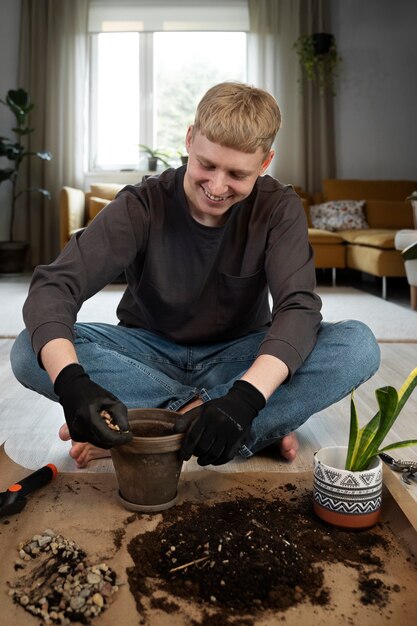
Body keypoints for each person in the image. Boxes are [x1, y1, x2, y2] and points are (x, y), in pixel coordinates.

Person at [10, 81, 380, 469]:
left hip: (239, 357)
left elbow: (298, 308)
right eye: (206, 164)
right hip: (146, 356)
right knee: (27, 351)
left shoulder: (279, 207)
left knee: (358, 345)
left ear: (265, 162)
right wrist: (73, 384)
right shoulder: (141, 204)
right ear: (189, 139)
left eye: (237, 174)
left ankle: (147, 429)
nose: (217, 187)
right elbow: (56, 287)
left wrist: (247, 398)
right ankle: (243, 428)